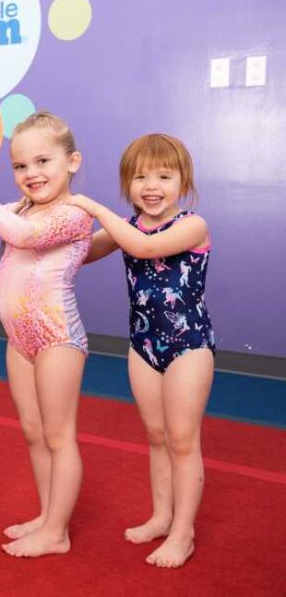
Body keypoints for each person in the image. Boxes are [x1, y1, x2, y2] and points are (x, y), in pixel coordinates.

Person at [0, 112, 93, 558]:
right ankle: (48, 515)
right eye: (21, 166)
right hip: (19, 339)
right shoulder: (19, 208)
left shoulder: (73, 214)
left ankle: (57, 531)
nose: (31, 174)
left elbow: (23, 237)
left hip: (57, 337)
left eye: (43, 161)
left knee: (59, 434)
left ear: (73, 162)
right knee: (33, 431)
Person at [67, 134, 214, 568]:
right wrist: (50, 222)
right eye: (140, 177)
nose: (151, 186)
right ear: (127, 184)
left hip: (189, 345)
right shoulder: (128, 227)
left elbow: (146, 248)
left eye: (164, 176)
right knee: (156, 437)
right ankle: (162, 516)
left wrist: (92, 209)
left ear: (182, 181)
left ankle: (183, 533)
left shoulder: (193, 225)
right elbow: (81, 254)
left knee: (183, 440)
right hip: (143, 344)